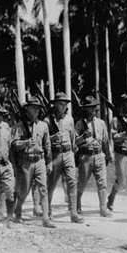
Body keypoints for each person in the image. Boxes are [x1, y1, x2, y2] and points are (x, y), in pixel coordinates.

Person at [11, 97, 55, 228]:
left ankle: (46, 218)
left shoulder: (43, 125)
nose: (36, 110)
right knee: (24, 190)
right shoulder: (19, 126)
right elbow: (14, 144)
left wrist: (49, 162)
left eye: (38, 108)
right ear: (27, 109)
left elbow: (47, 145)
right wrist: (25, 143)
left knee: (43, 189)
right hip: (26, 161)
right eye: (33, 107)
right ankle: (17, 211)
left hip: (40, 160)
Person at [44, 92, 84, 223]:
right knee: (51, 184)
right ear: (55, 105)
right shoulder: (47, 120)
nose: (63, 106)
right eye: (61, 104)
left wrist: (73, 152)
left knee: (72, 182)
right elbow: (43, 141)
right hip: (54, 154)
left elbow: (72, 137)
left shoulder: (69, 119)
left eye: (65, 104)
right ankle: (48, 211)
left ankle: (74, 213)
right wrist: (52, 138)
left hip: (68, 154)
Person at [75, 95, 113, 218]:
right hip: (86, 157)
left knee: (102, 183)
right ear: (85, 109)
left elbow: (106, 140)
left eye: (94, 107)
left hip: (99, 155)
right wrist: (83, 137)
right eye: (90, 108)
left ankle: (103, 208)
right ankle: (77, 204)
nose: (93, 110)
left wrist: (108, 154)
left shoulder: (101, 123)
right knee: (82, 183)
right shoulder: (80, 124)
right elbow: (75, 142)